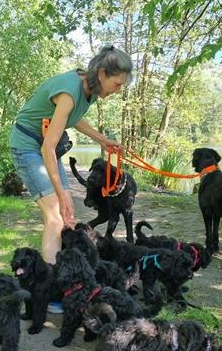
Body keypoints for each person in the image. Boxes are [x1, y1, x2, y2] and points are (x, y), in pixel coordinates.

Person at [9, 45, 132, 312]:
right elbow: (47, 149)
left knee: (66, 217)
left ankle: (58, 281)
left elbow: (73, 118)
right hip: (29, 146)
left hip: (43, 145)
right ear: (102, 73)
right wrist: (64, 192)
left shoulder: (91, 89)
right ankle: (52, 292)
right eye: (117, 83)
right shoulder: (69, 90)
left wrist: (103, 139)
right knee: (55, 216)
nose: (118, 90)